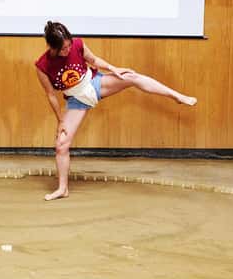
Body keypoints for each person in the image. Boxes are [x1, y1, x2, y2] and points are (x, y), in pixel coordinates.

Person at [34, 21, 196, 201]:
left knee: (131, 77)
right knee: (61, 145)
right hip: (76, 99)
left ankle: (176, 96)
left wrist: (113, 68)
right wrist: (60, 121)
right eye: (63, 49)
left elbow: (94, 60)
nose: (67, 50)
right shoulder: (42, 65)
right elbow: (51, 95)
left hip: (94, 83)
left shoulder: (78, 44)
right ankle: (62, 188)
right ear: (52, 47)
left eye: (68, 45)